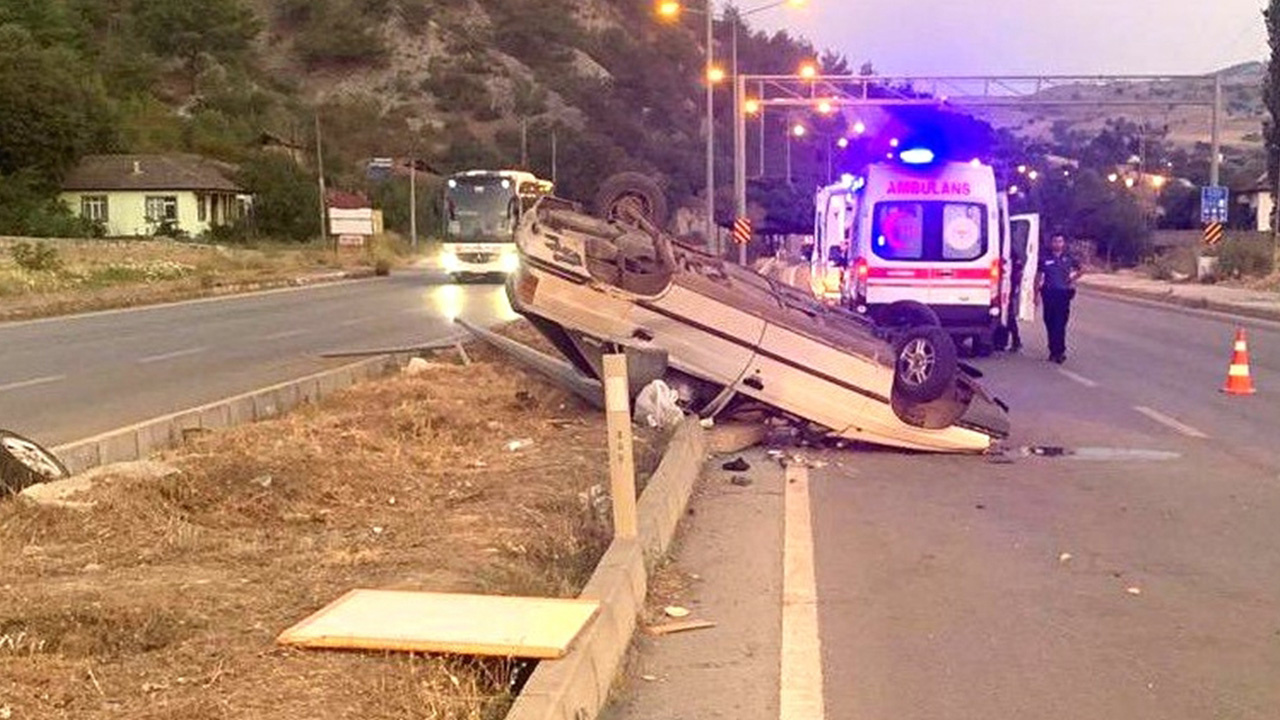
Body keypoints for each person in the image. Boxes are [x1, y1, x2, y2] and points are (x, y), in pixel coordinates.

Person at [1035, 232, 1083, 364]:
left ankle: (1060, 351)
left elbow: (1081, 270)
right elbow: (1038, 277)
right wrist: (1035, 295)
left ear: (1064, 243)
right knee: (1049, 322)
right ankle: (1052, 350)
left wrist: (1072, 279)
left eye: (1060, 241)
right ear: (1051, 243)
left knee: (1060, 324)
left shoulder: (1068, 258)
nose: (1058, 244)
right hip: (1048, 293)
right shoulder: (1044, 258)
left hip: (1063, 294)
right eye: (1055, 241)